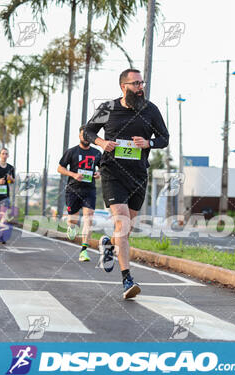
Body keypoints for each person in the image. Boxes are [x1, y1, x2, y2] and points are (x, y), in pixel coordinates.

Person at [83, 68, 169, 299]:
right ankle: (127, 279)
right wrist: (102, 142)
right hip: (112, 173)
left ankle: (108, 244)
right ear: (124, 86)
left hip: (138, 175)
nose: (141, 87)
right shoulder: (108, 108)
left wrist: (148, 143)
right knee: (121, 223)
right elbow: (87, 131)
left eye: (142, 83)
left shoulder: (150, 110)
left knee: (125, 230)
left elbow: (164, 138)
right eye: (136, 84)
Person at [57, 126, 101, 262]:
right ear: (79, 136)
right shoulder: (72, 152)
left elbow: (103, 168)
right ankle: (70, 227)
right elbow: (60, 168)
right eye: (83, 135)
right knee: (73, 220)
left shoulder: (97, 153)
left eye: (88, 136)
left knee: (89, 218)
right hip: (73, 189)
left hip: (89, 190)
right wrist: (73, 174)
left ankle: (84, 251)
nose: (85, 138)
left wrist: (99, 173)